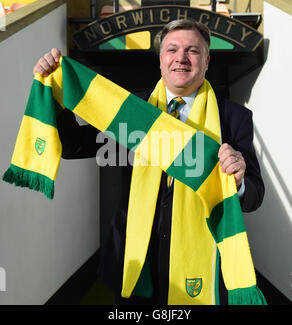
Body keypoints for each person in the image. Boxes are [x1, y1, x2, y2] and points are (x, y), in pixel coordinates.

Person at [33, 19, 264, 305]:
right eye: (172, 49)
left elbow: (254, 196)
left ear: (206, 61)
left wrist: (239, 180)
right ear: (161, 61)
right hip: (136, 258)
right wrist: (56, 93)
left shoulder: (234, 118)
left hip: (200, 260)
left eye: (192, 50)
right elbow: (73, 145)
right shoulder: (132, 110)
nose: (181, 57)